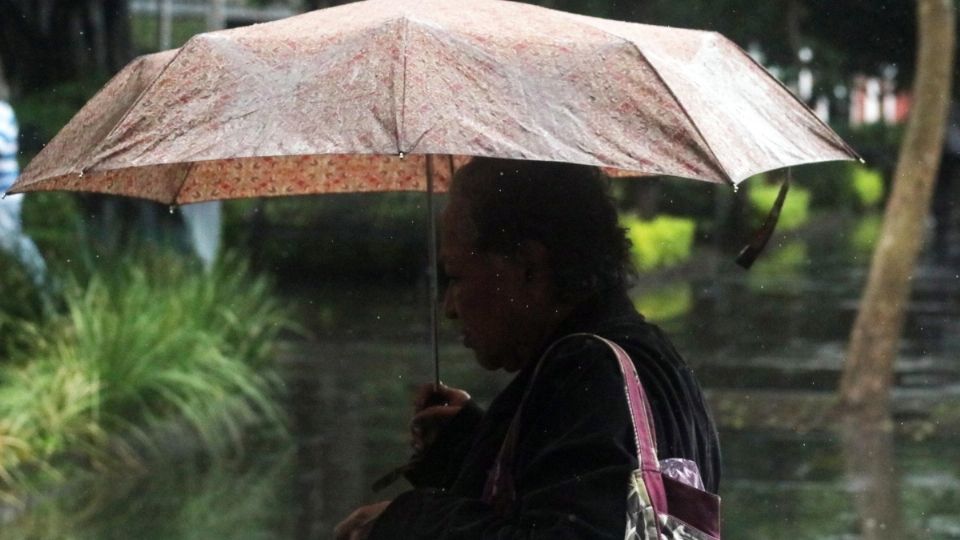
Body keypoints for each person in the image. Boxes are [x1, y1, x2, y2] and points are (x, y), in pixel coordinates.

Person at [335, 158, 720, 539]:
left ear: (528, 267)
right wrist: (470, 447)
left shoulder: (590, 374)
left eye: (455, 276)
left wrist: (411, 523)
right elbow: (580, 503)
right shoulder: (650, 361)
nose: (450, 307)